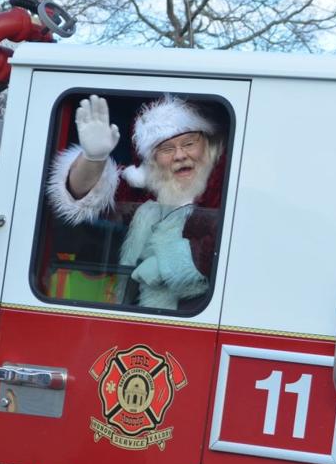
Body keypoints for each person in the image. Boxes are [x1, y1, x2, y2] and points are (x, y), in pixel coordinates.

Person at [45, 94, 224, 310]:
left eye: (189, 144)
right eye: (167, 149)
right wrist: (93, 158)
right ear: (153, 160)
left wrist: (171, 264)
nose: (180, 155)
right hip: (131, 314)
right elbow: (81, 195)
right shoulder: (141, 189)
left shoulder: (226, 185)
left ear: (208, 147)